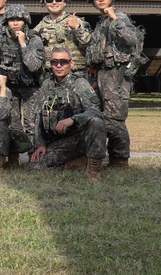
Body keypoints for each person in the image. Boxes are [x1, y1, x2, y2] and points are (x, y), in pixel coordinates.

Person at [84, 0, 139, 170]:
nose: (100, 0)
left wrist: (115, 19)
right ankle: (110, 158)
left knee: (115, 121)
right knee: (103, 118)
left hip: (117, 76)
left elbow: (131, 39)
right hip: (102, 76)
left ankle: (120, 161)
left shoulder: (120, 18)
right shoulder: (101, 23)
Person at [29, 47, 106, 181]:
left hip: (79, 139)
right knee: (34, 168)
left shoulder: (80, 84)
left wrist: (73, 119)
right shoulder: (46, 85)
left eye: (63, 62)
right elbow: (39, 116)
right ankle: (75, 162)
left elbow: (95, 110)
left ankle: (93, 170)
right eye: (54, 62)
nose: (58, 66)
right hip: (59, 142)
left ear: (72, 63)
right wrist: (40, 144)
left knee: (96, 122)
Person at [0, 4, 44, 157]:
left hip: (30, 87)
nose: (15, 23)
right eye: (12, 20)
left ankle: (33, 155)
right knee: (12, 123)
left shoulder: (34, 39)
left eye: (19, 19)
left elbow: (34, 66)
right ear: (6, 22)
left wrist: (23, 44)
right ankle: (13, 157)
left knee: (32, 123)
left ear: (25, 21)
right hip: (10, 87)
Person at [33, 0, 91, 79]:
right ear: (44, 3)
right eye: (49, 0)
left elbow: (88, 45)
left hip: (76, 76)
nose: (54, 2)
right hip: (50, 77)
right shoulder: (39, 27)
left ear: (65, 2)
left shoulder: (76, 21)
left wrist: (77, 28)